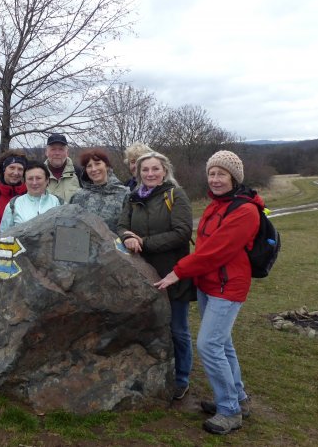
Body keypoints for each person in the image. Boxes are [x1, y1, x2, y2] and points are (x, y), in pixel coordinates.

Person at [154, 150, 260, 435]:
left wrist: (178, 271)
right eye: (211, 173)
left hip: (228, 287)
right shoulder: (217, 205)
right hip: (209, 285)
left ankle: (229, 411)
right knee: (222, 344)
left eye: (221, 174)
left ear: (234, 178)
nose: (215, 179)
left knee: (209, 345)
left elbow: (215, 252)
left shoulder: (245, 211)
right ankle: (238, 399)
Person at [117, 151, 195, 401]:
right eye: (145, 170)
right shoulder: (131, 197)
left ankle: (181, 378)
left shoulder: (176, 195)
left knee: (177, 329)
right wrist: (128, 236)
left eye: (155, 169)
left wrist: (145, 242)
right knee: (147, 326)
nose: (150, 174)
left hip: (173, 273)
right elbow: (121, 225)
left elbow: (182, 232)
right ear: (138, 173)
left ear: (165, 170)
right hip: (140, 273)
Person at [69, 148, 128, 232]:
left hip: (114, 244)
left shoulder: (124, 194)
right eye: (89, 166)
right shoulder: (78, 196)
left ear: (107, 166)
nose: (94, 169)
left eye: (97, 164)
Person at [0, 161, 62, 231]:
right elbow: (3, 236)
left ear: (47, 180)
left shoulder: (58, 202)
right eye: (30, 179)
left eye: (38, 178)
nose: (34, 183)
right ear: (25, 182)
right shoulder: (14, 205)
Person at [44, 133, 82, 203]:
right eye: (53, 149)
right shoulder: (39, 174)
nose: (57, 153)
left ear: (67, 153)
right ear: (46, 152)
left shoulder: (79, 173)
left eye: (61, 149)